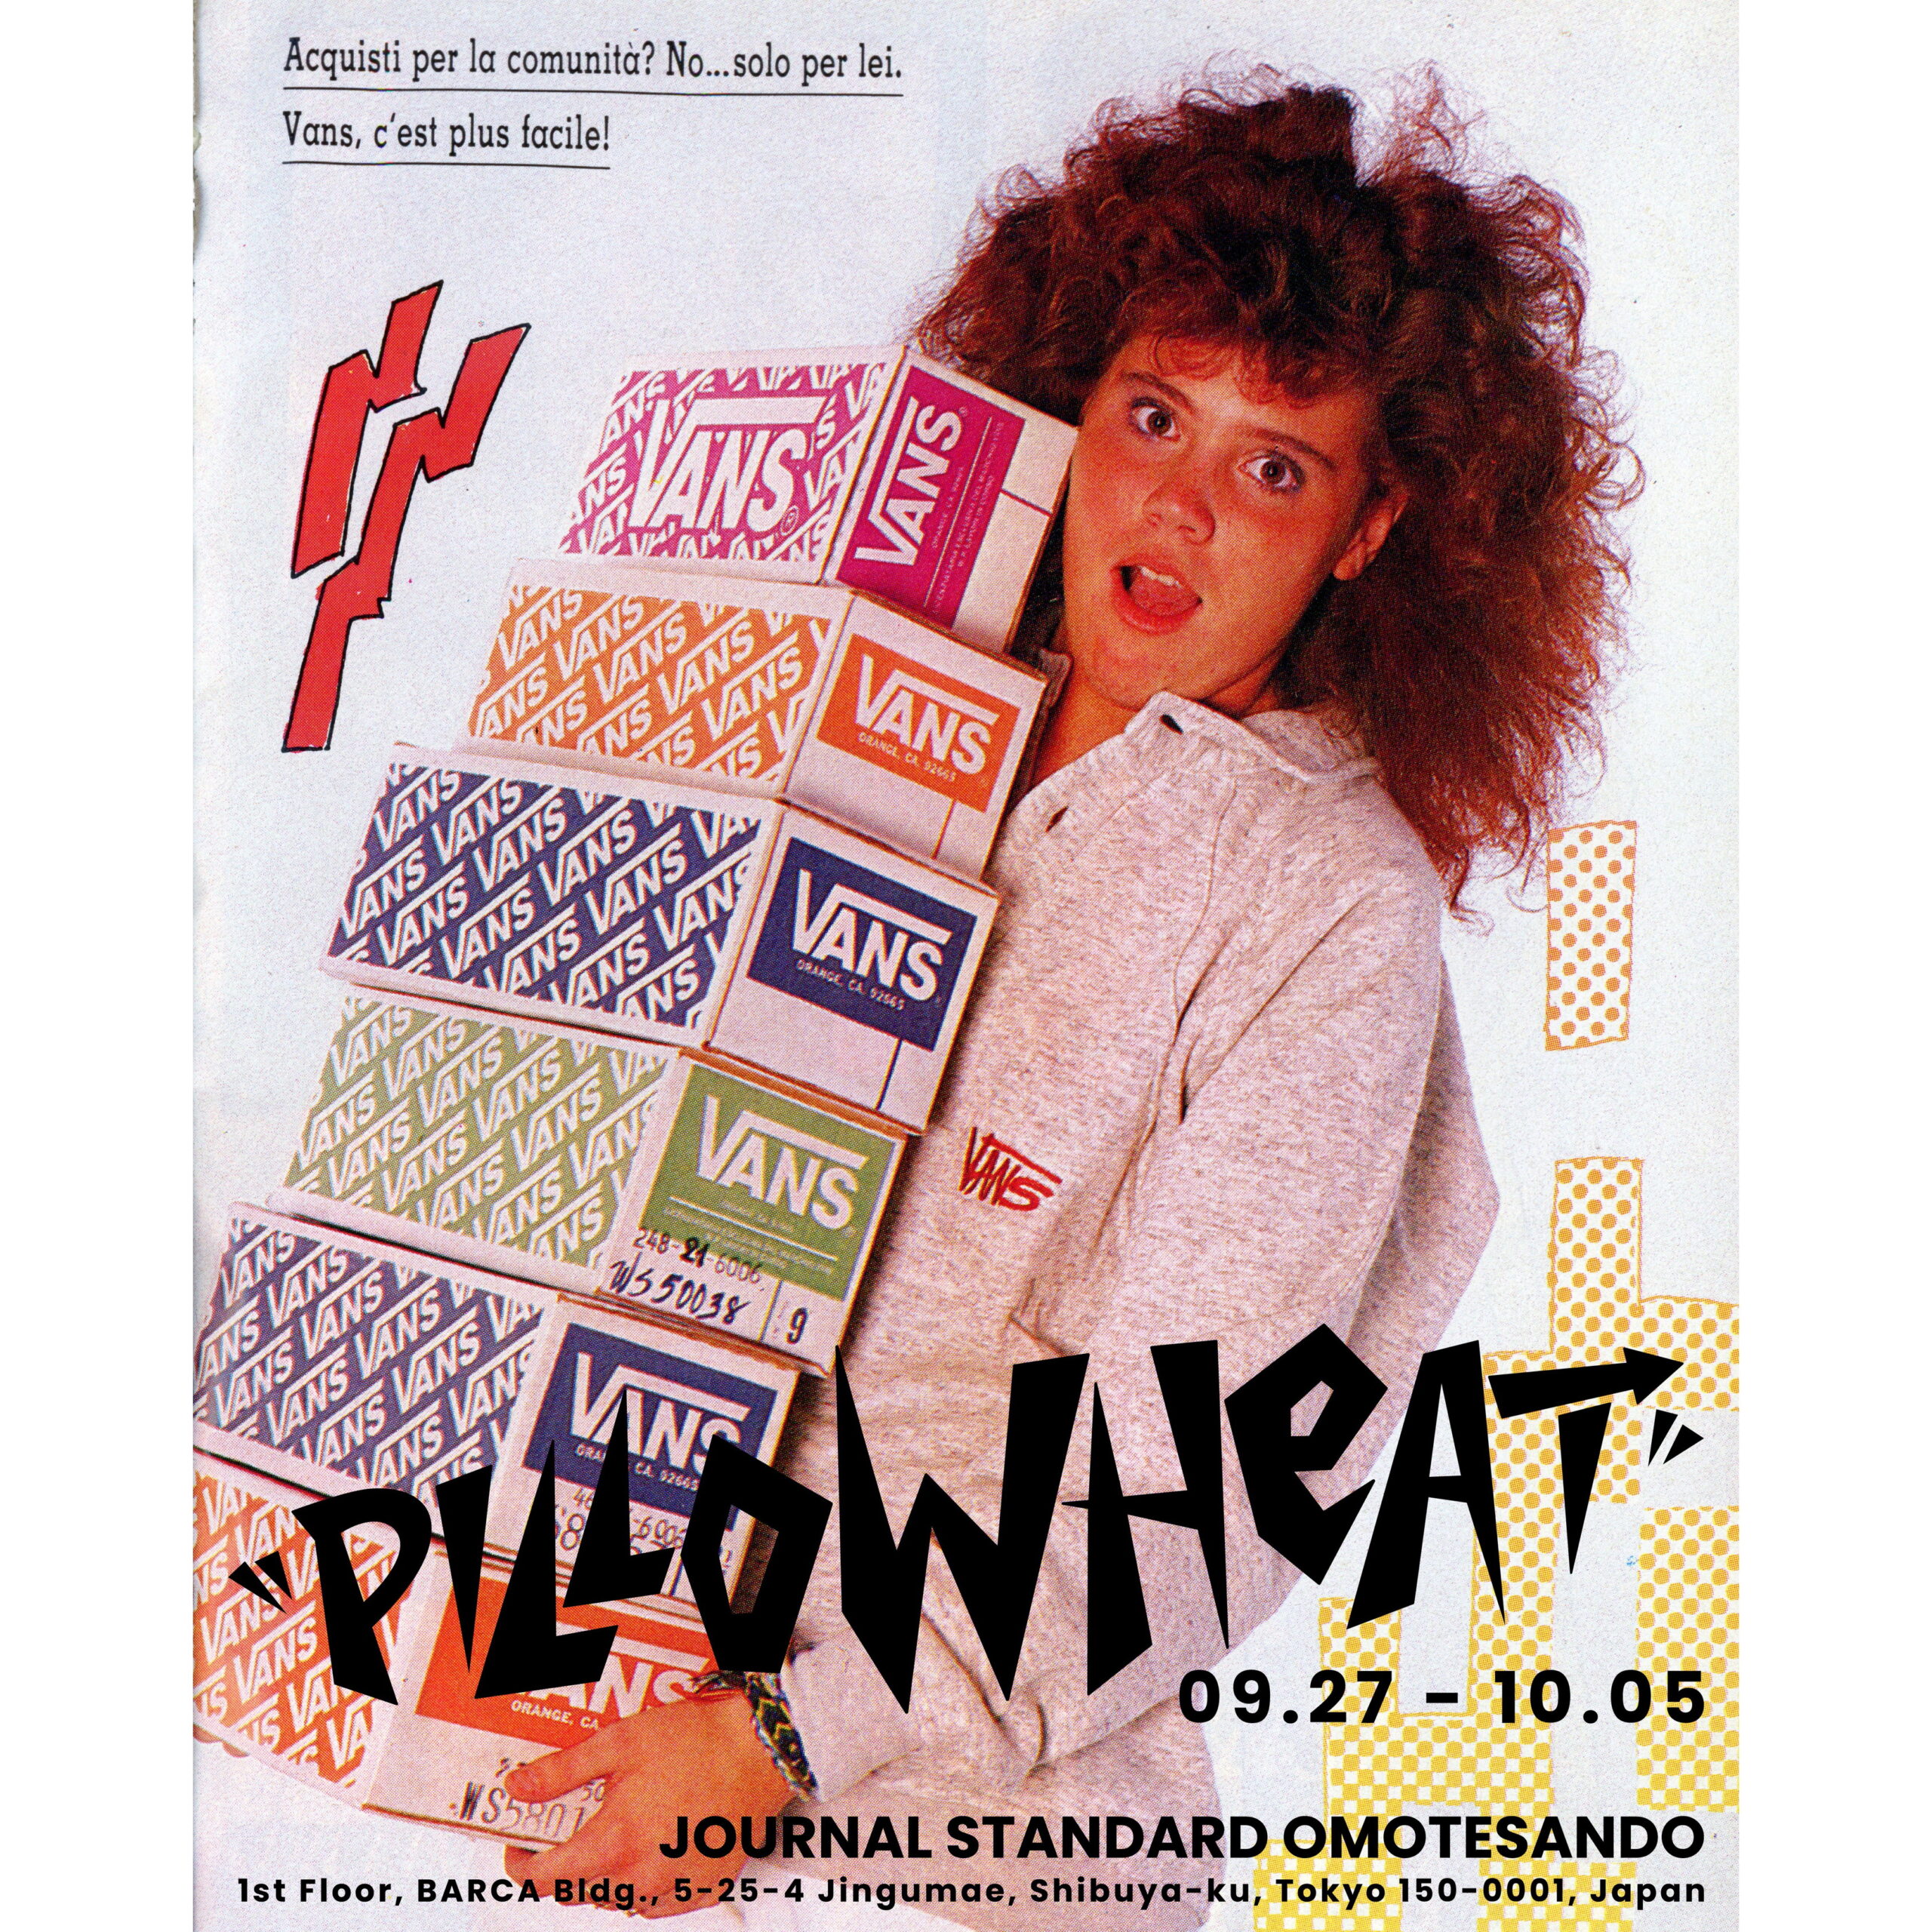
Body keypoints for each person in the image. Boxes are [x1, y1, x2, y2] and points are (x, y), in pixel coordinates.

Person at [500, 69, 1635, 1927]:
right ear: (1065, 411)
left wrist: (782, 1737)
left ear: (1366, 527)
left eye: (1272, 466)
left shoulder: (1322, 903)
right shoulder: (863, 699)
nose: (1179, 506)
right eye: (1153, 415)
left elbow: (1184, 1488)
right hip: (598, 1722)